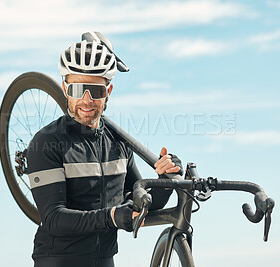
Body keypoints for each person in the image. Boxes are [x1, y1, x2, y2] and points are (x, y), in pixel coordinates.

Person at [26, 32, 183, 267]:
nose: (87, 101)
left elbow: (140, 203)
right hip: (57, 260)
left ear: (108, 92)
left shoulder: (119, 144)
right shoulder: (47, 143)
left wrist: (165, 180)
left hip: (105, 260)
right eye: (78, 90)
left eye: (96, 91)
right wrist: (111, 217)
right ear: (65, 88)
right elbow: (53, 218)